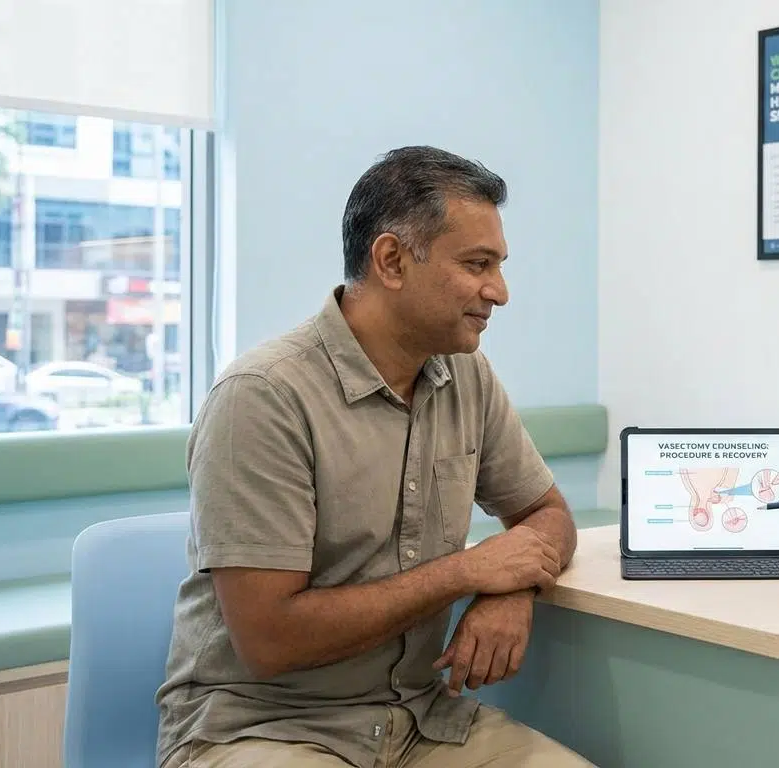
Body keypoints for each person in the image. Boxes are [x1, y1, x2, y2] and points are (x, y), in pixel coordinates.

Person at [155, 146, 593, 768]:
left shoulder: (466, 376)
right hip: (263, 730)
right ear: (390, 260)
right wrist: (468, 573)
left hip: (418, 720)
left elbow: (546, 514)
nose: (499, 291)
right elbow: (269, 641)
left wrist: (508, 591)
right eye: (477, 264)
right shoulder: (263, 398)